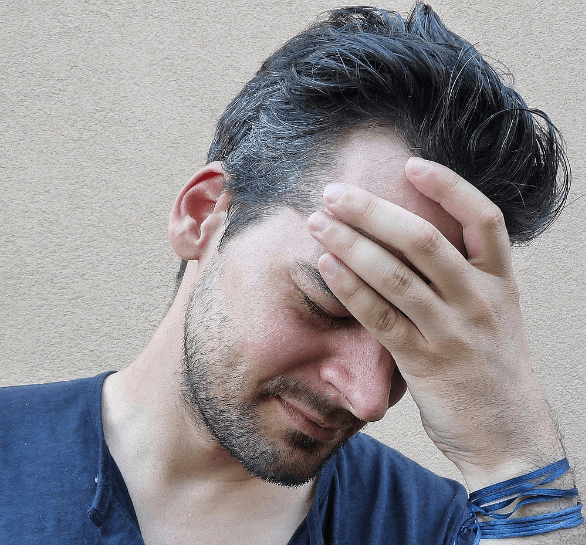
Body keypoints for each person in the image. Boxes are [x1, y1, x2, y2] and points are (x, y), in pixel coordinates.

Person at [1, 3, 583, 544]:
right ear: (204, 215)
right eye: (324, 305)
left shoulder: (451, 529)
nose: (368, 399)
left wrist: (514, 454)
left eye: (410, 343)